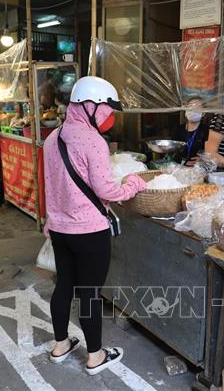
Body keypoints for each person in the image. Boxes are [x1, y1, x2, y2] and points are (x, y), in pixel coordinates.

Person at [42, 76, 147, 375]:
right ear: (90, 106)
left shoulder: (53, 138)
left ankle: (61, 345)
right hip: (90, 232)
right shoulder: (94, 142)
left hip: (60, 230)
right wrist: (133, 184)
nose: (109, 116)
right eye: (106, 109)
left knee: (64, 286)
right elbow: (107, 191)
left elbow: (50, 185)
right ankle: (96, 356)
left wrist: (51, 220)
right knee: (89, 293)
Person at [171, 98, 209, 165]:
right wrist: (184, 162)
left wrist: (203, 159)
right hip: (178, 166)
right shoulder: (178, 129)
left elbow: (209, 152)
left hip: (199, 168)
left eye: (197, 108)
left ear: (203, 113)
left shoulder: (207, 130)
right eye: (190, 107)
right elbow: (172, 151)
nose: (192, 110)